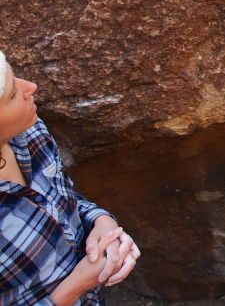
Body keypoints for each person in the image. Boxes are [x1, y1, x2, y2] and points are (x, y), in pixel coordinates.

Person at [0, 50, 140, 305]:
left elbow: (60, 197)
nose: (31, 86)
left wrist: (102, 223)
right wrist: (74, 288)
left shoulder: (29, 131)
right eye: (11, 94)